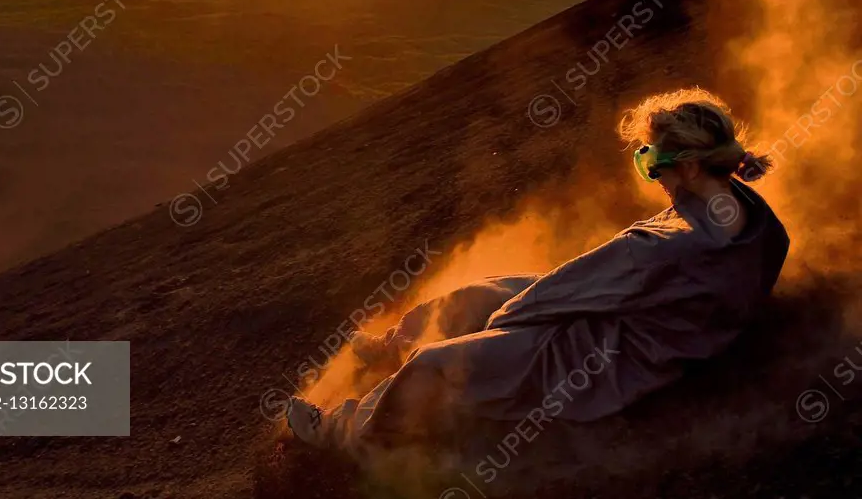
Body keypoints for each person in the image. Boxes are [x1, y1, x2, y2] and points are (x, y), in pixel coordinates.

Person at [286, 88, 790, 454]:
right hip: (646, 322)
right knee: (479, 292)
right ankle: (397, 342)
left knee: (437, 361)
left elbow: (542, 302)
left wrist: (497, 330)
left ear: (693, 166)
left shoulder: (659, 248)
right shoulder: (760, 220)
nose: (652, 172)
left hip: (604, 360)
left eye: (653, 160)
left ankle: (342, 432)